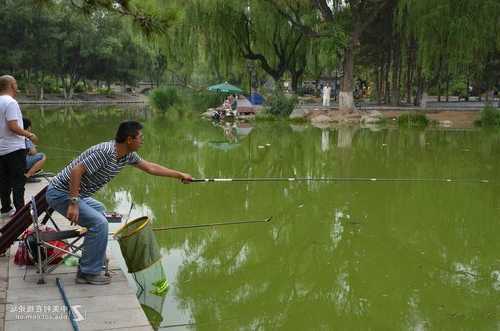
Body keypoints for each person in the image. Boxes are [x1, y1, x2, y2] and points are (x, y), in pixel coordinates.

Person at [45, 121, 192, 285]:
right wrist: (73, 203)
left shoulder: (126, 155)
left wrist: (179, 175)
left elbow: (150, 168)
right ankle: (87, 273)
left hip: (75, 194)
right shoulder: (106, 152)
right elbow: (76, 171)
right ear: (129, 139)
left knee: (100, 210)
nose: (142, 140)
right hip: (60, 193)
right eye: (140, 137)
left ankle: (90, 259)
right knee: (99, 223)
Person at [0, 75, 38, 218]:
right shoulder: (11, 102)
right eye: (15, 83)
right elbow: (13, 126)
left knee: (3, 180)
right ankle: (20, 212)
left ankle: (5, 208)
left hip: (1, 149)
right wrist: (29, 135)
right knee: (18, 180)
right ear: (10, 85)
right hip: (14, 148)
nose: (17, 86)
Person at [23, 117, 46, 183]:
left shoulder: (14, 134)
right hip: (21, 162)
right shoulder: (26, 136)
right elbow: (33, 152)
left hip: (9, 161)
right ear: (28, 127)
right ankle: (27, 176)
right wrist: (33, 146)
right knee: (42, 156)